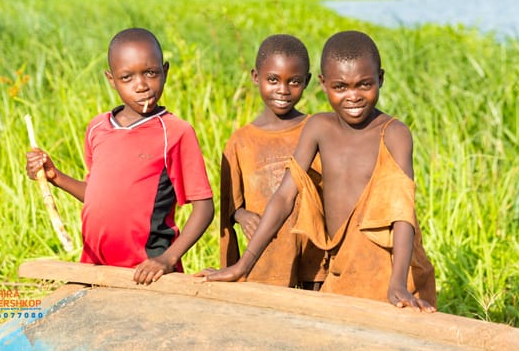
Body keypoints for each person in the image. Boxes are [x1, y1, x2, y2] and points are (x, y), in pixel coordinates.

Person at [200, 30, 436, 312]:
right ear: (323, 84)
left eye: (364, 85)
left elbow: (402, 214)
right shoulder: (319, 128)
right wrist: (243, 265)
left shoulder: (394, 133)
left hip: (388, 268)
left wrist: (397, 283)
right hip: (341, 270)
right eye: (340, 86)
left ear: (381, 79)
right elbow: (284, 197)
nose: (353, 96)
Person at [25, 28, 214, 285]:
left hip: (147, 272)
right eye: (127, 77)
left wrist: (168, 259)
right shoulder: (98, 128)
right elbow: (98, 196)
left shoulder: (175, 132)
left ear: (165, 71)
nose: (142, 85)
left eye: (151, 73)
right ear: (111, 79)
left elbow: (204, 207)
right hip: (94, 267)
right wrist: (55, 177)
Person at [221, 34, 325, 289]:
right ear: (256, 77)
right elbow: (229, 208)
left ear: (307, 81)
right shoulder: (241, 141)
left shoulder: (317, 130)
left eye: (294, 81)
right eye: (273, 80)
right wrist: (241, 215)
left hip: (317, 262)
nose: (283, 90)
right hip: (266, 259)